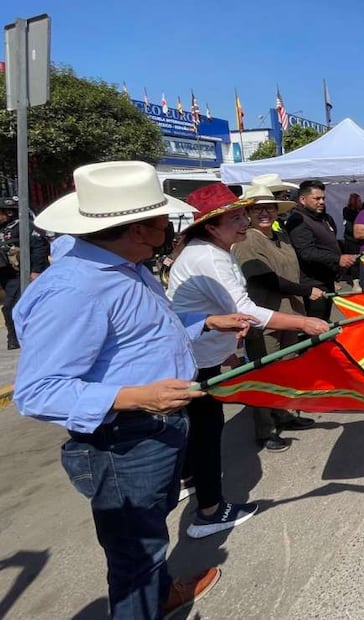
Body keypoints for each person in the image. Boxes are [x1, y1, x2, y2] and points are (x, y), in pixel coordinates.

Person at [14, 160, 257, 618]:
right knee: (135, 556)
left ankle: (160, 594)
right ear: (141, 230)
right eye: (164, 219)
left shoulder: (125, 265)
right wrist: (135, 397)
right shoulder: (77, 288)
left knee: (149, 535)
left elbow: (140, 333)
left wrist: (203, 320)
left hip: (155, 430)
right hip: (123, 442)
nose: (172, 227)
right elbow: (38, 390)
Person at [167, 183, 331, 539]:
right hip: (192, 359)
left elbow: (221, 310)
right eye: (236, 217)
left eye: (244, 215)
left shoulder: (212, 250)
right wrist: (303, 321)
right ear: (211, 226)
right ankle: (210, 510)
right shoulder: (208, 257)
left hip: (202, 352)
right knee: (207, 428)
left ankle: (189, 478)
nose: (245, 222)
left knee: (199, 426)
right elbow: (245, 309)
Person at [231, 184, 319, 452]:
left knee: (286, 370)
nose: (264, 213)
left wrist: (314, 288)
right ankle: (265, 429)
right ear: (247, 213)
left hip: (290, 314)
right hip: (265, 318)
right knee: (265, 373)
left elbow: (294, 272)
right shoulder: (246, 240)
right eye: (257, 209)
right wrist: (307, 290)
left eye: (268, 207)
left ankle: (284, 414)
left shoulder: (280, 238)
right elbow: (265, 279)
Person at [285, 180, 357, 320]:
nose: (322, 202)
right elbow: (306, 252)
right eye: (317, 198)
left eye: (323, 198)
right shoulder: (298, 220)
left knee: (324, 320)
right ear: (303, 200)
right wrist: (337, 259)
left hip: (327, 280)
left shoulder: (324, 218)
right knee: (315, 325)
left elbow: (330, 242)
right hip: (312, 284)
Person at [0, 196, 50, 349]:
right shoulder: (3, 229)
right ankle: (15, 338)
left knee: (12, 306)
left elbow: (39, 247)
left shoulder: (24, 226)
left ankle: (15, 338)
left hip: (21, 274)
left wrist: (35, 270)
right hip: (6, 275)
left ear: (8, 212)